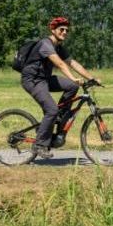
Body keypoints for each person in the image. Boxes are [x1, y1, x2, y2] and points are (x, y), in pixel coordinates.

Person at [20, 17, 99, 159]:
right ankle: (39, 145)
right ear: (53, 30)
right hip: (32, 80)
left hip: (44, 79)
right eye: (61, 29)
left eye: (67, 30)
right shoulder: (46, 44)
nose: (64, 32)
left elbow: (73, 63)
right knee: (52, 109)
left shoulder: (58, 47)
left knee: (72, 86)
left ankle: (59, 116)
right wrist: (73, 77)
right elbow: (61, 64)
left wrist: (91, 78)